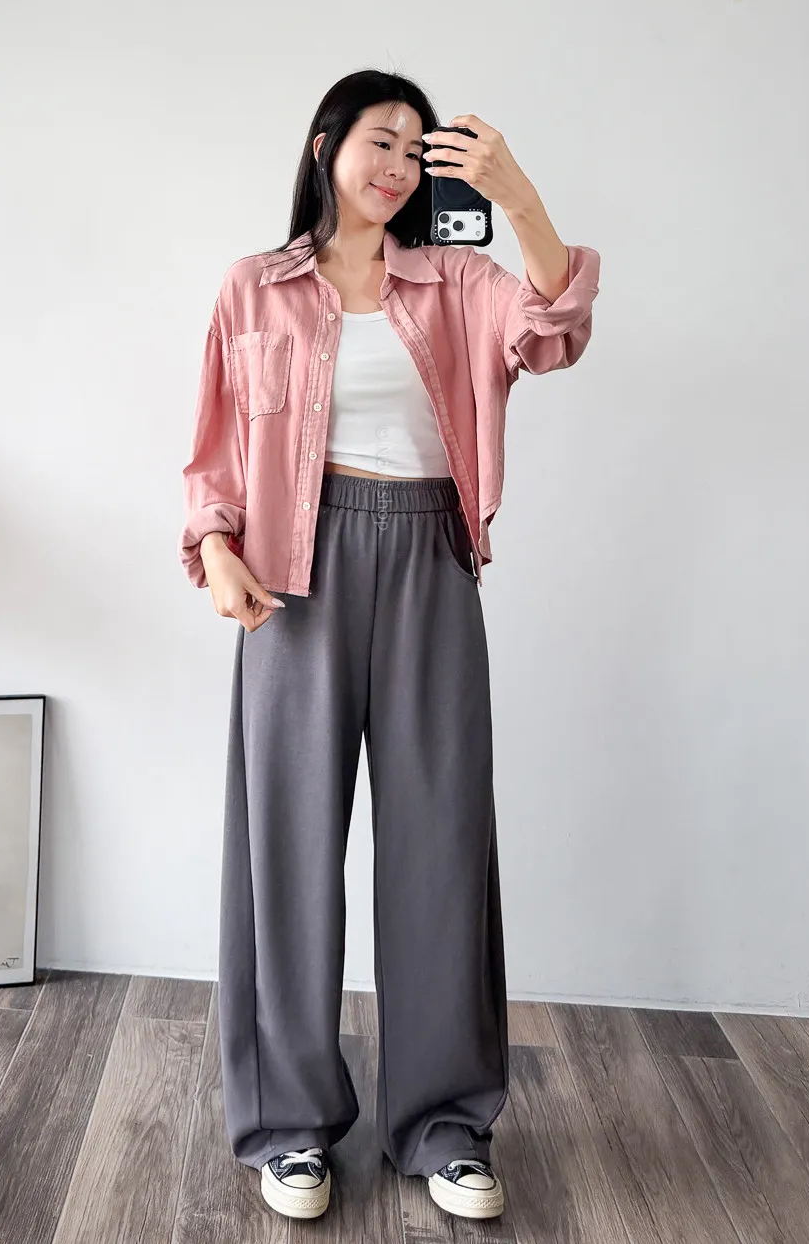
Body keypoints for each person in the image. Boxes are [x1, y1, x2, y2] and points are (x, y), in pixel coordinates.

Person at [178, 68, 600, 1222]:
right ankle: (289, 1125)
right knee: (285, 852)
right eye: (382, 140)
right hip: (291, 579)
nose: (400, 165)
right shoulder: (255, 286)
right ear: (327, 145)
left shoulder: (458, 282)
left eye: (419, 150)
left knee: (440, 847)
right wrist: (214, 546)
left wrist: (515, 193)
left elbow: (555, 330)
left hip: (429, 564)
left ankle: (444, 1124)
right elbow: (212, 447)